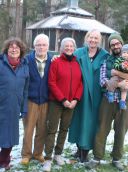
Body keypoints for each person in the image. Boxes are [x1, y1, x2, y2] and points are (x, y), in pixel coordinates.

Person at [85, 33, 128, 171]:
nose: (116, 46)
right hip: (107, 101)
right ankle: (97, 157)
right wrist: (113, 83)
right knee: (102, 129)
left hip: (125, 101)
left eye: (118, 43)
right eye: (112, 44)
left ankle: (117, 158)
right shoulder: (106, 60)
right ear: (110, 47)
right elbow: (102, 80)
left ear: (122, 44)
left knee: (121, 130)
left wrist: (116, 73)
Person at [42, 38, 83, 172]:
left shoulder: (77, 63)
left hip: (71, 103)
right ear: (61, 48)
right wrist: (63, 99)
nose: (69, 48)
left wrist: (75, 99)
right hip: (57, 102)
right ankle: (47, 158)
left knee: (64, 129)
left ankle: (58, 154)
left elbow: (80, 83)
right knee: (52, 129)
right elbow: (51, 82)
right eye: (66, 46)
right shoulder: (56, 62)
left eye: (71, 46)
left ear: (74, 48)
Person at [68, 29, 109, 163]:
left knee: (91, 122)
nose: (93, 40)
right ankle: (79, 148)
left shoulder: (104, 55)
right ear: (87, 38)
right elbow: (66, 62)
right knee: (79, 120)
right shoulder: (78, 53)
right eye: (91, 37)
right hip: (79, 93)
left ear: (100, 40)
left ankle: (85, 151)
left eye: (96, 38)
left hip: (96, 95)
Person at [21, 34, 52, 165]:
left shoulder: (52, 61)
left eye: (44, 45)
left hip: (46, 100)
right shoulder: (26, 60)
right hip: (31, 100)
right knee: (28, 129)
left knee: (42, 130)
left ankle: (38, 153)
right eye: (38, 44)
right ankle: (26, 154)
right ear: (34, 46)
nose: (41, 47)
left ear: (48, 47)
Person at [0, 37, 29, 170]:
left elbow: (25, 90)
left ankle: (4, 159)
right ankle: (4, 160)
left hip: (14, 107)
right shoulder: (1, 63)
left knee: (10, 136)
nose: (14, 49)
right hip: (1, 105)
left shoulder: (24, 66)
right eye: (11, 47)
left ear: (21, 50)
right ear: (6, 49)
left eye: (16, 47)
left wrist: (24, 108)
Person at [107, 44, 128, 110]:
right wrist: (121, 66)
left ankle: (122, 102)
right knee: (112, 81)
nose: (125, 54)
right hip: (117, 77)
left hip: (126, 78)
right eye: (124, 52)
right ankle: (110, 93)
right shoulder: (119, 59)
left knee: (125, 89)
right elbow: (115, 65)